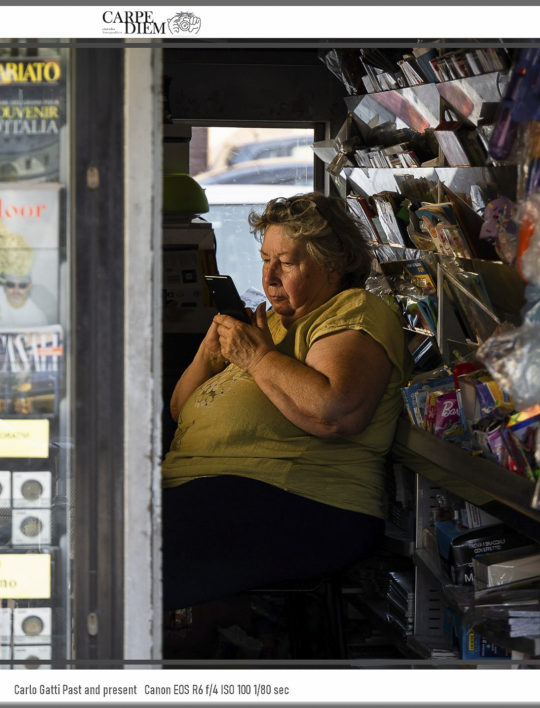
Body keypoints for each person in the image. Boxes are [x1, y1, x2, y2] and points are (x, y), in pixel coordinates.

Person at [161, 192, 410, 612]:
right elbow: (180, 412)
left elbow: (336, 411)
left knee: (118, 554)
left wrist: (257, 358)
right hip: (209, 488)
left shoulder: (353, 311)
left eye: (288, 263)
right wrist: (209, 354)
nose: (270, 277)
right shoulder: (269, 323)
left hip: (303, 500)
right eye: (264, 260)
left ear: (333, 265)